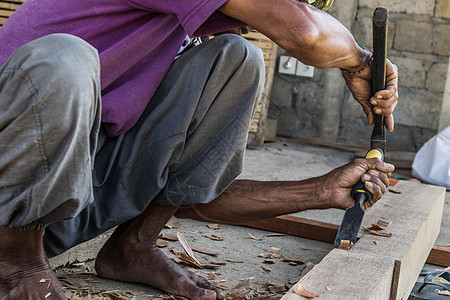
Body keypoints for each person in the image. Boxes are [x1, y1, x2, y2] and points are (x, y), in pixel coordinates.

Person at [0, 0, 398, 299]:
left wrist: (321, 191)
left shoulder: (185, 24)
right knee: (66, 59)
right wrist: (360, 61)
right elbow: (305, 34)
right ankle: (16, 263)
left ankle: (134, 245)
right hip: (8, 192)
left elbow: (195, 199)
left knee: (237, 58)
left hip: (67, 206)